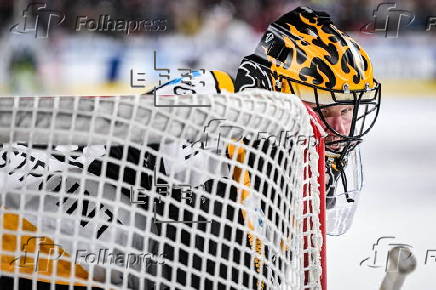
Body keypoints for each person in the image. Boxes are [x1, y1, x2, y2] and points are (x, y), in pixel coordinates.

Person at [0, 6, 380, 290]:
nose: (341, 128)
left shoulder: (262, 144)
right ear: (276, 90)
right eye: (327, 110)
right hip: (26, 235)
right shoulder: (208, 107)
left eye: (348, 110)